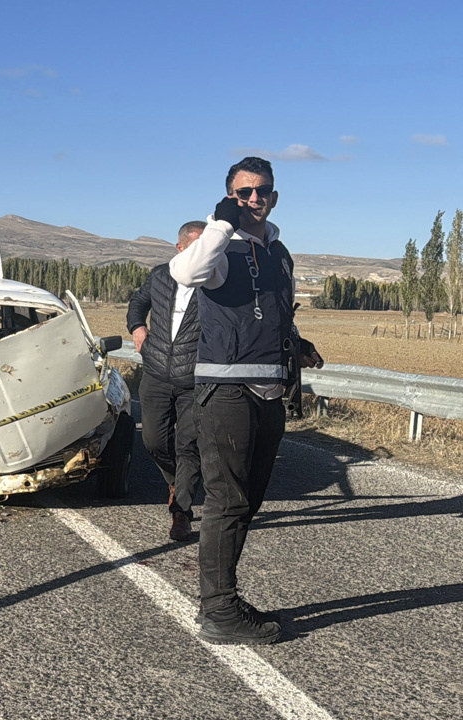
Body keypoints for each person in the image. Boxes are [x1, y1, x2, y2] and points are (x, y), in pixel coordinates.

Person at [170, 157, 323, 645]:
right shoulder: (219, 249)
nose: (255, 199)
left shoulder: (280, 252)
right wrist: (221, 223)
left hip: (269, 391)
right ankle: (219, 611)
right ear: (229, 197)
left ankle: (223, 600)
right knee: (228, 501)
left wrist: (295, 345)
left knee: (248, 503)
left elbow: (276, 313)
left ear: (274, 197)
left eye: (263, 192)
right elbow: (186, 272)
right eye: (244, 192)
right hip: (225, 392)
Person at [126, 220, 206, 542]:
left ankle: (182, 513)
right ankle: (176, 480)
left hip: (195, 378)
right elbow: (138, 303)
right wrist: (137, 326)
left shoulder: (216, 282)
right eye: (196, 247)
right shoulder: (160, 275)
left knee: (189, 444)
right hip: (157, 371)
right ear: (180, 249)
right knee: (154, 441)